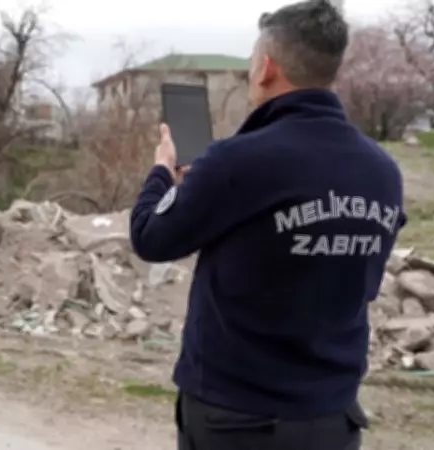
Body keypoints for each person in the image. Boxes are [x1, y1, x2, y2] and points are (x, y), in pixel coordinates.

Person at [129, 0, 407, 449]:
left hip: (237, 420)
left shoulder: (237, 161)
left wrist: (162, 172)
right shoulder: (382, 171)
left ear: (266, 69)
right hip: (332, 421)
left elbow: (150, 237)